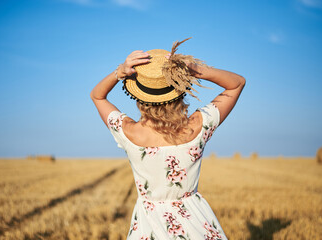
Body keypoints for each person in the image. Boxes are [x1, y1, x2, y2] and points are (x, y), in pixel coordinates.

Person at [90, 38, 245, 240]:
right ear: (180, 91)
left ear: (139, 97)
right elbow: (237, 84)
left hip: (148, 229)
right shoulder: (199, 125)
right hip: (196, 225)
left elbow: (97, 96)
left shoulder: (129, 132)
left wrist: (120, 72)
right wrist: (193, 68)